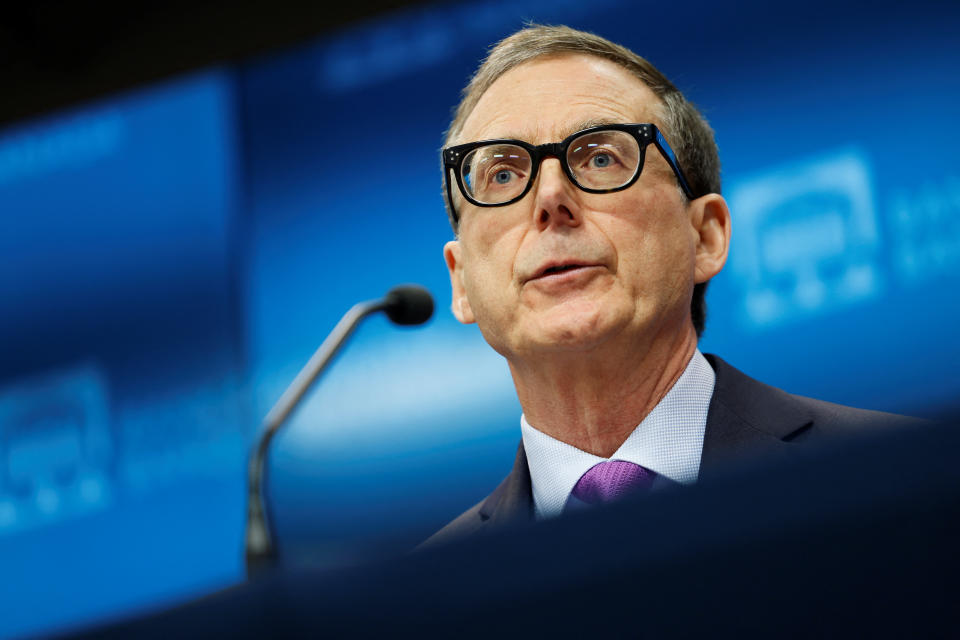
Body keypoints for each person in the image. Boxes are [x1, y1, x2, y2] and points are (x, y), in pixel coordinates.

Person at [425, 25, 912, 547]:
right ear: (462, 282)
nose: (550, 198)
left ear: (705, 236)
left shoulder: (907, 477)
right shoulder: (419, 603)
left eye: (601, 157)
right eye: (502, 174)